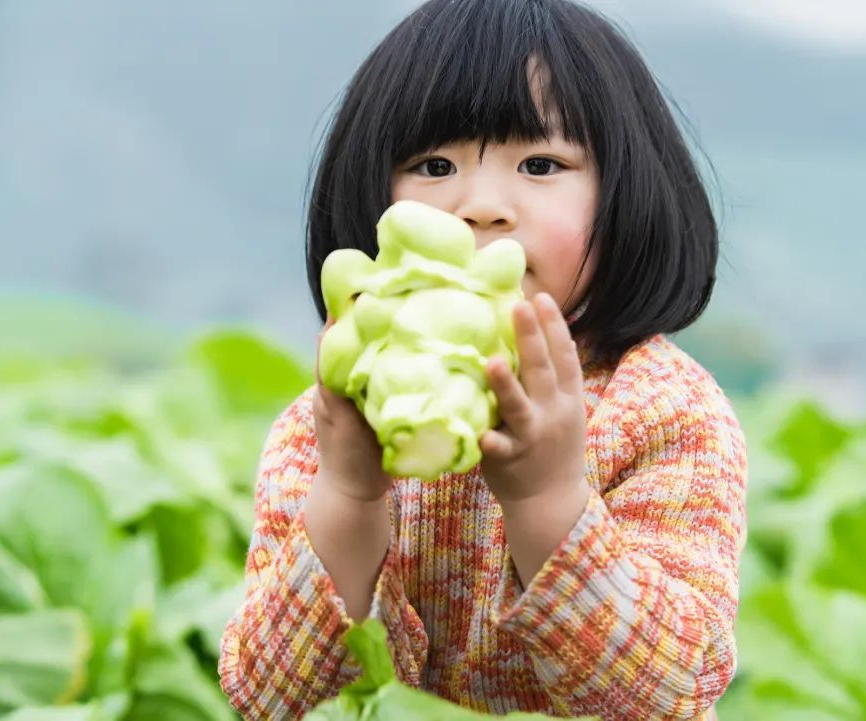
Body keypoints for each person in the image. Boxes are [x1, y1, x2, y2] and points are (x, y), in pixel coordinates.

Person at [219, 1, 747, 719]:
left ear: (624, 195)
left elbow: (672, 688)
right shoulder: (325, 426)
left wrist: (545, 499)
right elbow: (269, 699)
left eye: (540, 163)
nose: (481, 206)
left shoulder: (664, 412)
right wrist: (348, 495)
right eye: (435, 165)